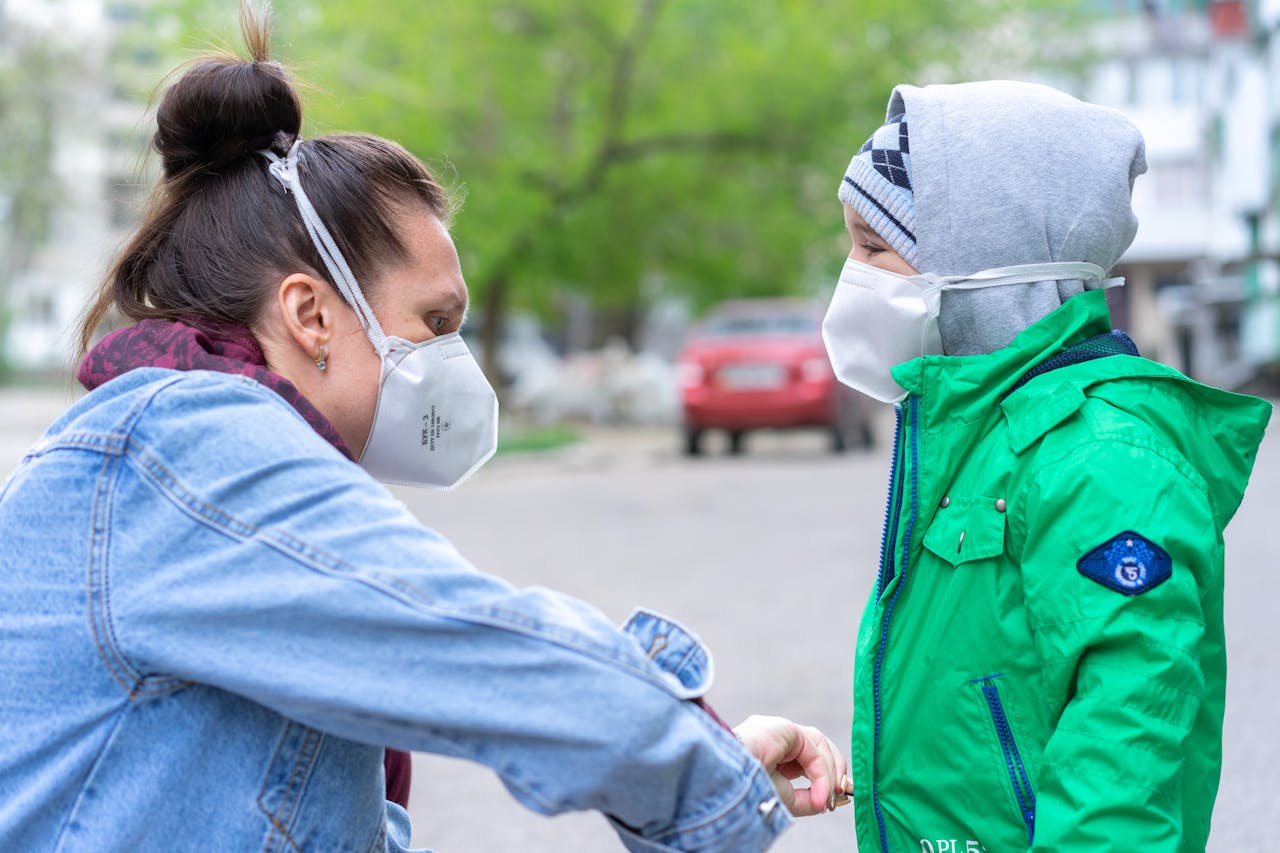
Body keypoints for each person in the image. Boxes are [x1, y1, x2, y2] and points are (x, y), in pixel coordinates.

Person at [0, 8, 852, 852]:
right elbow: (477, 644)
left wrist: (703, 754)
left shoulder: (165, 441)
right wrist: (703, 764)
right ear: (310, 314)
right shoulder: (188, 445)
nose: (454, 361)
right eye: (435, 323)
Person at [820, 80, 1271, 852]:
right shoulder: (982, 435)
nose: (854, 276)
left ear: (992, 266)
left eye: (873, 248)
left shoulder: (1103, 462)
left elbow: (1121, 767)